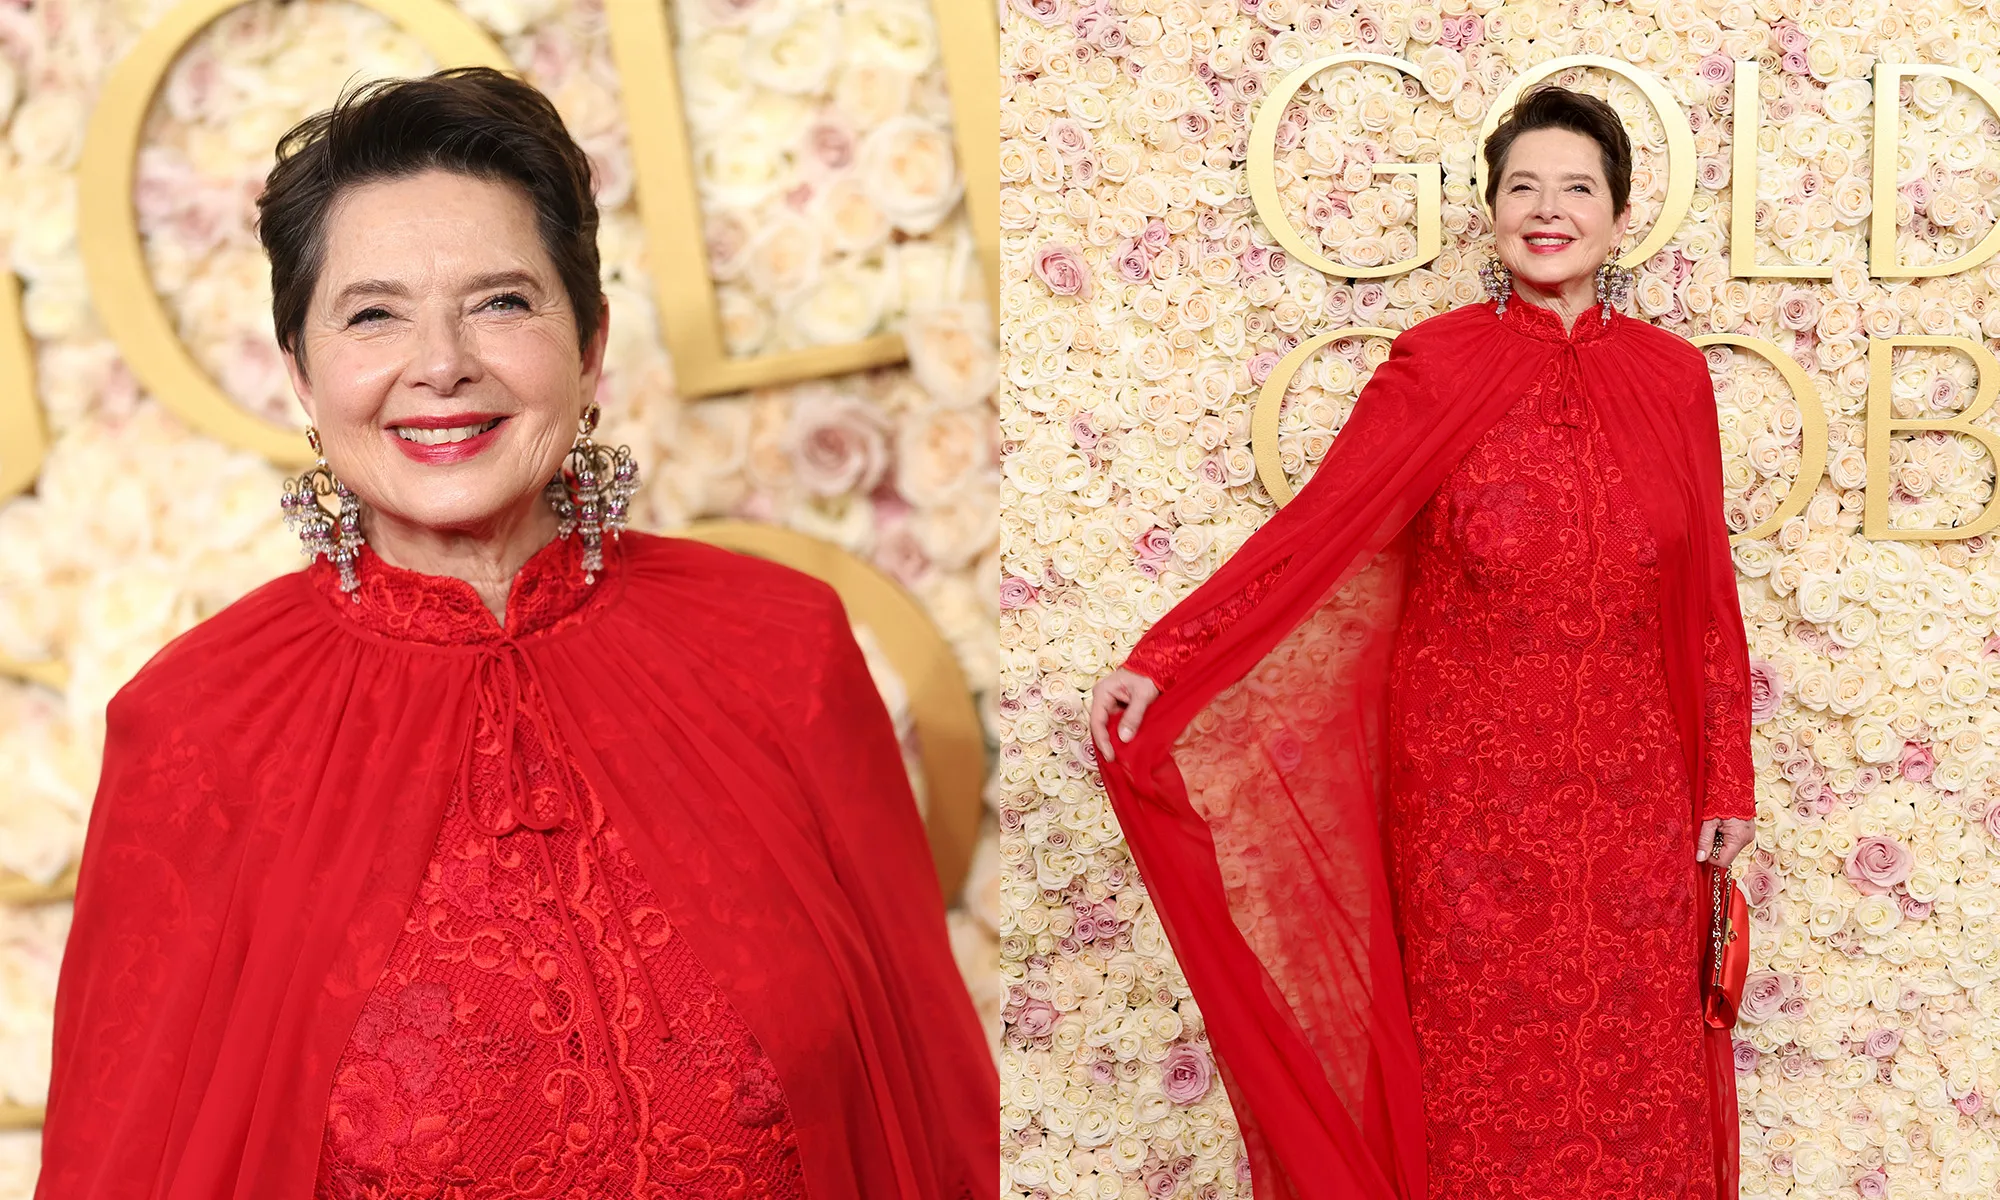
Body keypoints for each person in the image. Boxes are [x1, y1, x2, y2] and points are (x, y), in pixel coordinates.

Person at [37, 67, 995, 1200]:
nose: (440, 363)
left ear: (588, 348)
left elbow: (926, 1110)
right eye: (373, 313)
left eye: (501, 301)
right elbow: (129, 1161)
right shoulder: (201, 726)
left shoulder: (777, 647)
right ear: (301, 373)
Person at [1089, 84, 1755, 1200]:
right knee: (1476, 1067)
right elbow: (1315, 533)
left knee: (1631, 1067)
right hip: (1468, 800)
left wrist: (1722, 777)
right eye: (1520, 189)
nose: (1546, 210)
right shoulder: (1435, 365)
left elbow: (1703, 601)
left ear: (1618, 213)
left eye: (1574, 188)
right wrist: (1167, 656)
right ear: (1490, 214)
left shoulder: (1670, 379)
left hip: (1634, 794)